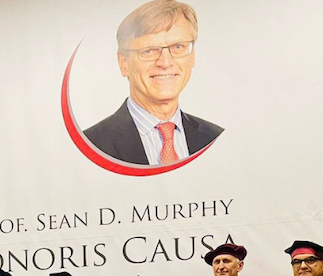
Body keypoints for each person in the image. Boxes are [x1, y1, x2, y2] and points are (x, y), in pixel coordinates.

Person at [83, 0, 222, 165]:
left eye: (178, 47)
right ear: (124, 63)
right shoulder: (90, 145)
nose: (165, 62)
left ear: (192, 56)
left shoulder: (216, 138)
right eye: (149, 51)